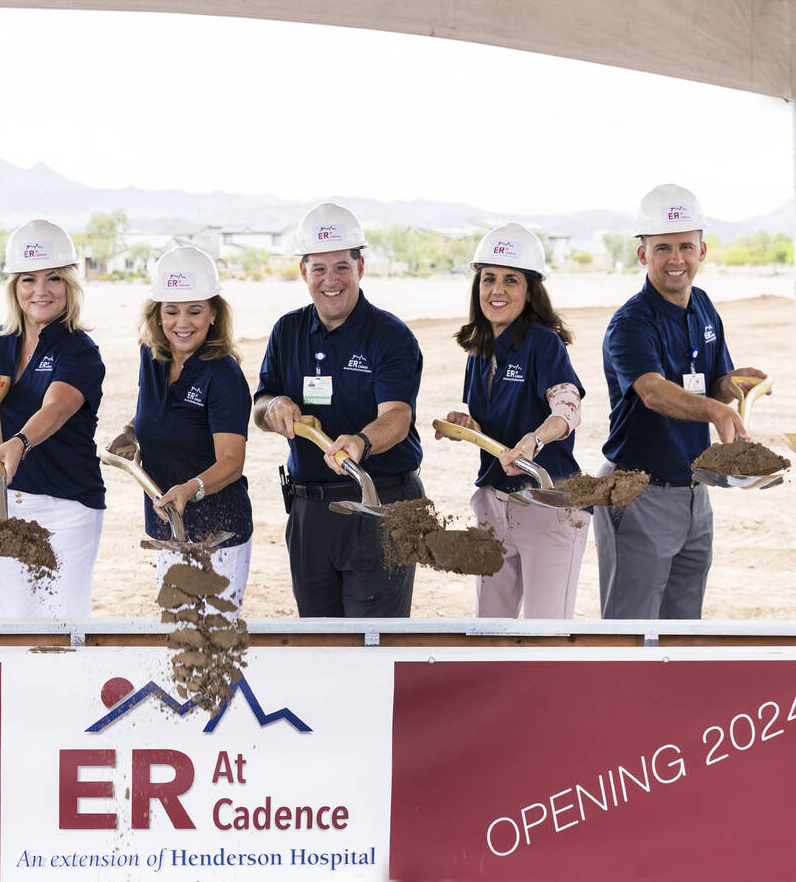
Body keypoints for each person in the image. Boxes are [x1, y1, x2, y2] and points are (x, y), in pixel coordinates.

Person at [596, 184, 766, 619]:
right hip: (639, 491)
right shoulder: (630, 323)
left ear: (702, 250)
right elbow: (651, 390)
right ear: (643, 254)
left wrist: (737, 384)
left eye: (686, 247)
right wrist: (714, 409)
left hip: (694, 491)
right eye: (663, 248)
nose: (676, 259)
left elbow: (715, 382)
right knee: (630, 632)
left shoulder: (704, 306)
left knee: (683, 629)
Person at [253, 201, 424, 617]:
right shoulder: (287, 331)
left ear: (360, 268)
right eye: (319, 269)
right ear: (303, 272)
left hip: (381, 504)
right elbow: (259, 406)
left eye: (342, 267)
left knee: (374, 644)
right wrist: (273, 407)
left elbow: (398, 417)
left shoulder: (390, 335)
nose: (331, 281)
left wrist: (362, 441)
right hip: (310, 512)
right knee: (320, 643)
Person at [435, 224, 588, 618]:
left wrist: (534, 441)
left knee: (546, 635)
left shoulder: (542, 342)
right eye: (489, 279)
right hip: (495, 505)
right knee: (491, 630)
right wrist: (470, 428)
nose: (497, 290)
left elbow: (567, 406)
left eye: (510, 280)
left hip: (548, 506)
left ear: (530, 289)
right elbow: (496, 425)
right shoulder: (479, 351)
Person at [0, 219, 105, 617]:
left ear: (69, 286)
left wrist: (18, 443)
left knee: (62, 622)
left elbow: (55, 410)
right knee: (13, 620)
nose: (40, 291)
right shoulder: (0, 340)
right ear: (14, 288)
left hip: (68, 505)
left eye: (53, 278)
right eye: (27, 280)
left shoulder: (79, 349)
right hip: (8, 497)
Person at [107, 246, 253, 614]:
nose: (182, 323)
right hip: (169, 531)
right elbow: (154, 414)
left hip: (219, 533)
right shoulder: (151, 356)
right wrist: (131, 435)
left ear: (214, 312)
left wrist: (190, 489)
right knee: (178, 638)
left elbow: (232, 463)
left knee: (214, 646)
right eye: (171, 311)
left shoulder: (224, 376)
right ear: (157, 314)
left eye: (195, 310)